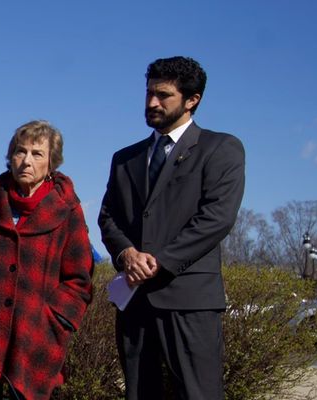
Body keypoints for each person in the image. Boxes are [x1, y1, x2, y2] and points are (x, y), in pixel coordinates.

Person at [99, 56, 245, 400]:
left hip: (190, 300)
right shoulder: (125, 158)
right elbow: (108, 216)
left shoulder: (221, 148)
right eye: (149, 93)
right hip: (134, 300)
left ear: (192, 100)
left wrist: (159, 261)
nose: (152, 102)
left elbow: (216, 218)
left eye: (163, 95)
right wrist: (126, 253)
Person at [0, 121, 94, 400]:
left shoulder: (67, 209)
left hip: (35, 331)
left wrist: (57, 318)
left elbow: (79, 278)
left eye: (37, 154)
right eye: (20, 152)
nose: (26, 161)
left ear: (51, 163)